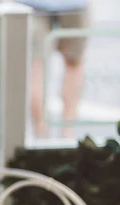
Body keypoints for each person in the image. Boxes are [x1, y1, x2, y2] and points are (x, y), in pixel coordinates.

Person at [16, 0, 91, 138]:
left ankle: (40, 133)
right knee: (73, 64)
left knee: (36, 67)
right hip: (74, 5)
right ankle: (67, 133)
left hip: (34, 4)